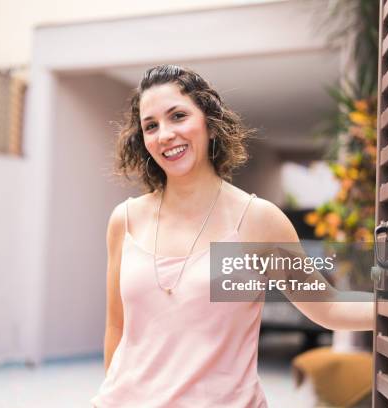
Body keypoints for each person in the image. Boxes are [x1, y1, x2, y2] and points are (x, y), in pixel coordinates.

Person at [90, 65, 373, 407]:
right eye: (151, 125)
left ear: (210, 124)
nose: (164, 134)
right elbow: (117, 329)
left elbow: (327, 305)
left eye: (177, 116)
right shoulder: (126, 219)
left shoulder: (255, 221)